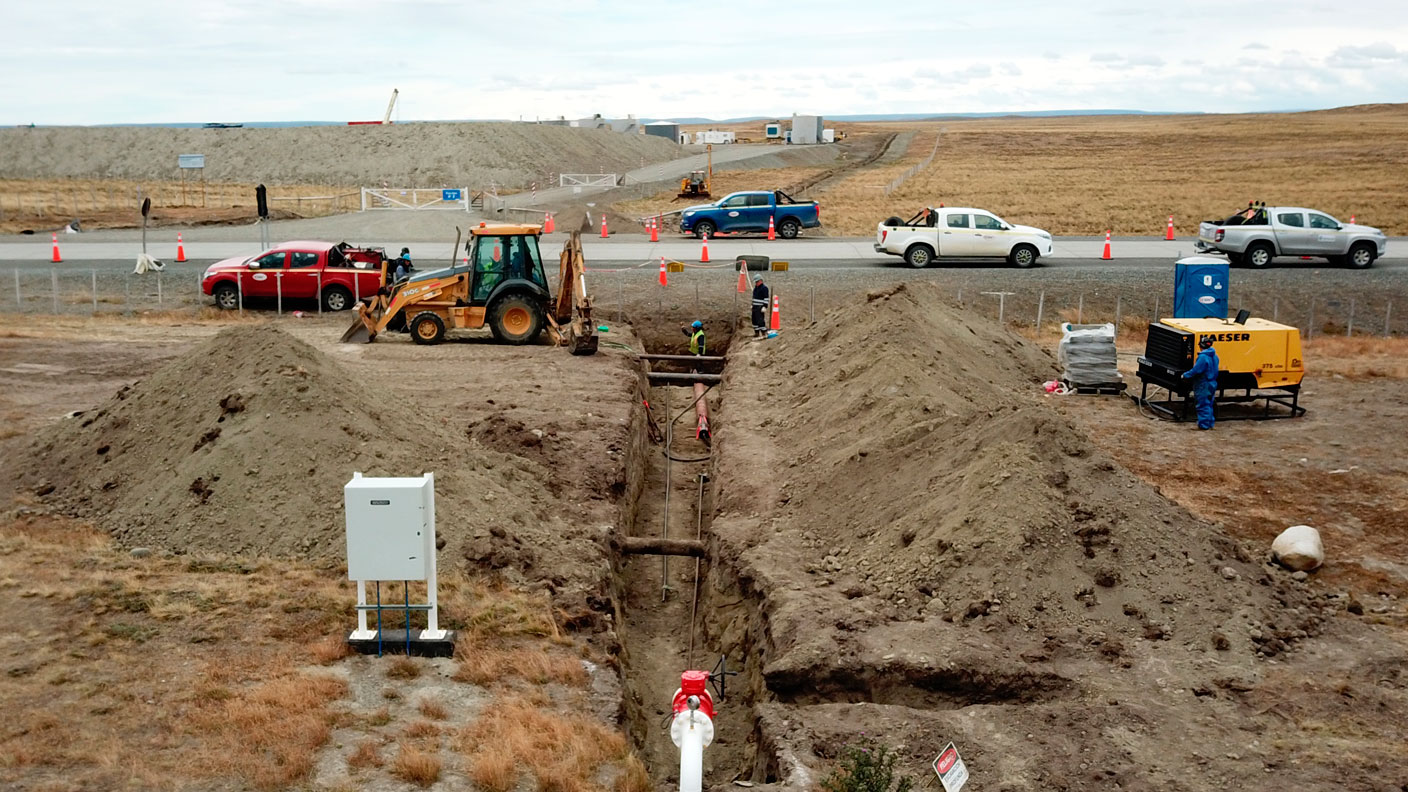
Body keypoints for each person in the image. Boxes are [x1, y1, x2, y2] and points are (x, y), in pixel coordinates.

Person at [1181, 336, 1220, 430]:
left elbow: (1196, 370)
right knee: (1209, 403)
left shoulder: (1203, 357)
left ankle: (1204, 425)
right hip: (1212, 383)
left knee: (1203, 404)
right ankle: (1210, 423)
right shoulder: (1214, 356)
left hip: (1203, 384)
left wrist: (1185, 375)